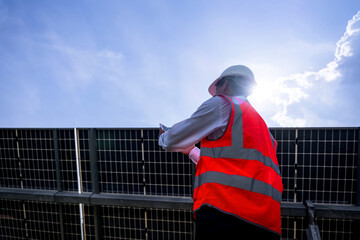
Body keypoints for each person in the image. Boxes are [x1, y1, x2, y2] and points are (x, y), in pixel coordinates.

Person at [158, 65, 283, 240]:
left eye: (216, 88)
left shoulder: (224, 104)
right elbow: (234, 165)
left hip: (225, 214)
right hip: (266, 223)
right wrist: (192, 151)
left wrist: (163, 138)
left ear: (224, 85)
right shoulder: (265, 131)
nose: (215, 93)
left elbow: (173, 140)